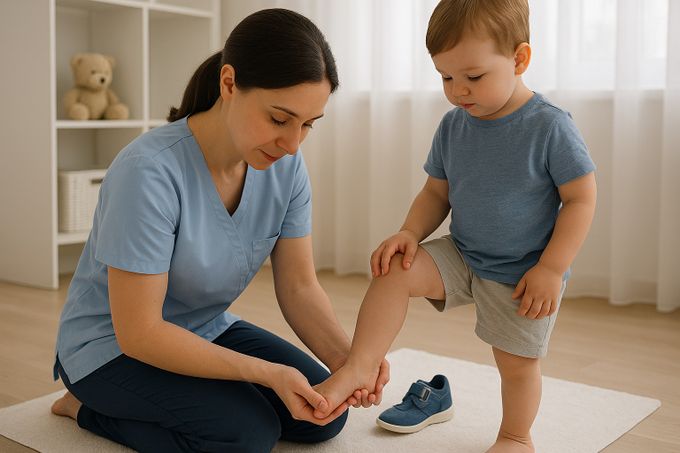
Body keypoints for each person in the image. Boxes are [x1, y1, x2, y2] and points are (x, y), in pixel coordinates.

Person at [50, 8, 389, 453]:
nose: (292, 144)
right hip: (113, 349)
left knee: (322, 414)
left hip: (202, 328)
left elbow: (300, 287)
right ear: (229, 84)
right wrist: (263, 372)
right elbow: (141, 333)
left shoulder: (285, 167)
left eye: (308, 125)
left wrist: (351, 363)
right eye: (279, 119)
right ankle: (84, 407)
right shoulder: (148, 171)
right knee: (245, 436)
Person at [313, 0, 597, 451]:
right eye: (446, 77)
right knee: (395, 270)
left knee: (516, 362)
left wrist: (550, 268)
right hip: (463, 252)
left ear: (519, 59)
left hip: (522, 271)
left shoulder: (549, 126)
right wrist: (409, 233)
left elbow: (581, 199)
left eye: (473, 77)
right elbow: (435, 194)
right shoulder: (453, 126)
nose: (458, 90)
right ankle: (360, 364)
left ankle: (515, 436)